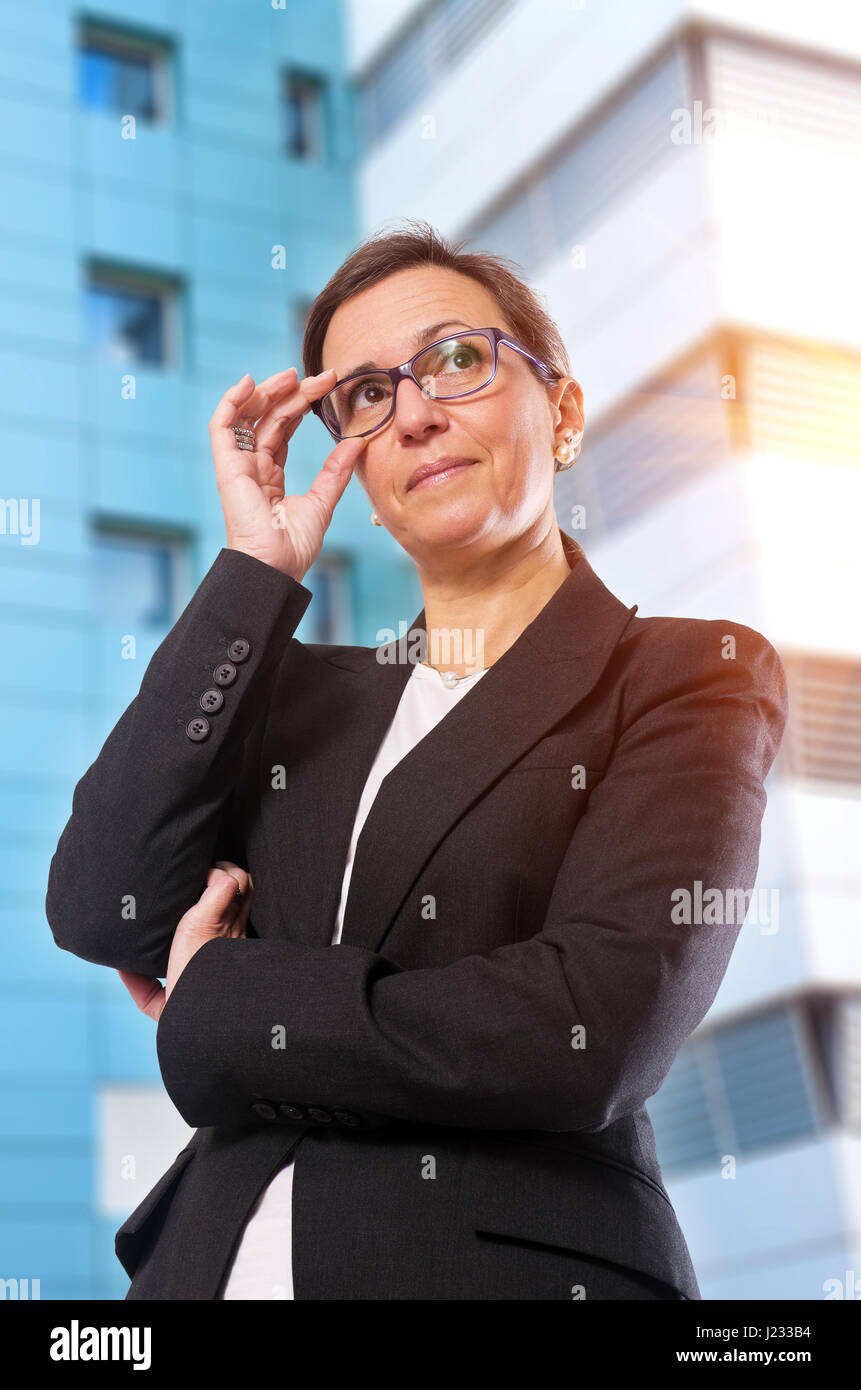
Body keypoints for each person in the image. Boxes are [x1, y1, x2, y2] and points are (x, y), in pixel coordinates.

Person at [45, 220, 787, 1300]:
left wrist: (228, 1003)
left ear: (564, 410)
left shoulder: (682, 675)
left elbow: (587, 1028)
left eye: (455, 360)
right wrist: (255, 574)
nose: (417, 414)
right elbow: (103, 903)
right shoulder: (294, 695)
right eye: (366, 394)